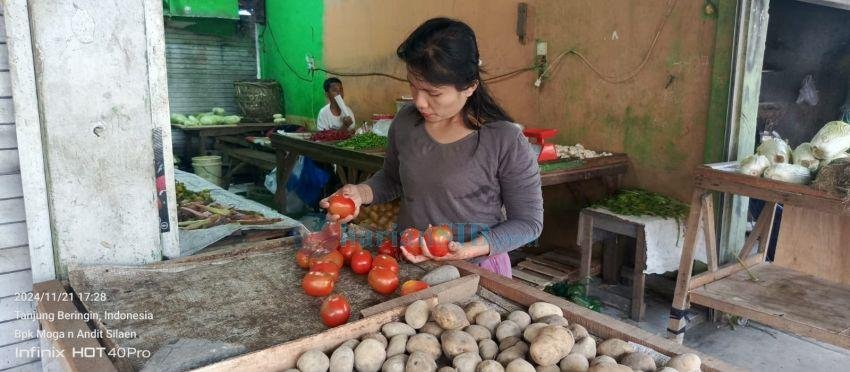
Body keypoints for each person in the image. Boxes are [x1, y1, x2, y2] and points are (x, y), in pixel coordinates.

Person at [320, 18, 543, 278]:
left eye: (433, 93)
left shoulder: (503, 140)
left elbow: (528, 223)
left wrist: (469, 249)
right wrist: (361, 192)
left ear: (470, 87)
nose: (420, 102)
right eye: (413, 86)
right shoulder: (406, 123)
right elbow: (393, 179)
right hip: (407, 265)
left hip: (475, 272)